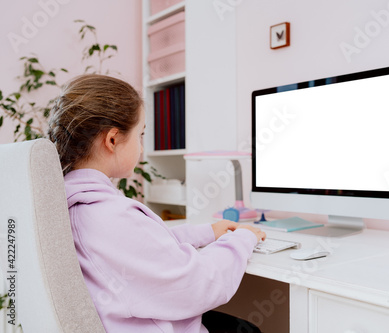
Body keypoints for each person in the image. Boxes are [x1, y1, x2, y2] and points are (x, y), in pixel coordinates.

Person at [47, 74, 266, 333]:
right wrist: (242, 238)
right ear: (113, 140)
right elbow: (199, 285)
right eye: (140, 134)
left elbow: (142, 245)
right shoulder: (109, 214)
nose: (140, 147)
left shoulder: (70, 203)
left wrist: (206, 232)